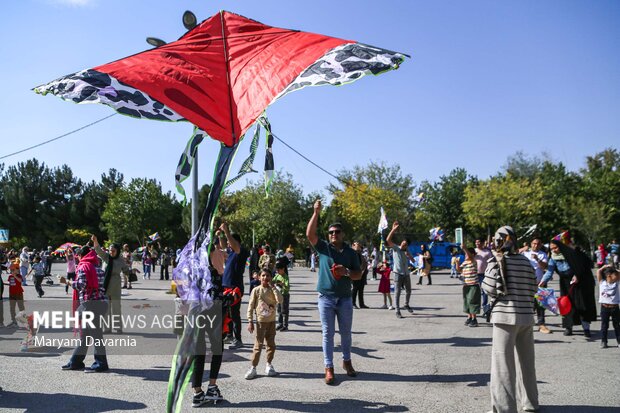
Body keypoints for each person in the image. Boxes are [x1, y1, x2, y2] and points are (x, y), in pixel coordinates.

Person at [482, 226, 539, 413]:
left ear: (498, 241)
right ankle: (530, 403)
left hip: (505, 316)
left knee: (503, 365)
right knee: (527, 363)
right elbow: (533, 288)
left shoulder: (497, 260)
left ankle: (504, 408)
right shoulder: (525, 261)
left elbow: (489, 287)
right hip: (526, 316)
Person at [306, 199, 362, 385]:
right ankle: (328, 367)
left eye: (337, 232)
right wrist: (316, 212)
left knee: (346, 333)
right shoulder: (324, 248)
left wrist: (345, 271)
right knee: (327, 333)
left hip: (345, 298)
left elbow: (358, 274)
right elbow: (309, 234)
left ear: (343, 234)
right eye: (331, 233)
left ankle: (347, 362)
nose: (334, 235)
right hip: (326, 298)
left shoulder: (350, 253)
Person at [61, 246, 109, 372]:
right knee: (85, 336)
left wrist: (67, 282)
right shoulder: (98, 268)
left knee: (96, 335)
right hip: (101, 304)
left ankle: (101, 364)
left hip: (90, 305)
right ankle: (75, 362)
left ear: (82, 256)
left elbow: (81, 285)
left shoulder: (83, 267)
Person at [540, 239, 597, 337]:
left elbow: (581, 267)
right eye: (552, 249)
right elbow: (549, 271)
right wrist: (543, 281)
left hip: (578, 284)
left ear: (561, 246)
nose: (554, 250)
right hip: (565, 284)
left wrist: (577, 275)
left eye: (555, 247)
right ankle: (568, 327)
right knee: (566, 305)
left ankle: (586, 329)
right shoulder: (553, 258)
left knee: (581, 305)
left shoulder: (571, 254)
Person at [245, 269, 283, 379]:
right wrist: (250, 321)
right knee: (258, 345)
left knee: (271, 345)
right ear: (259, 277)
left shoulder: (273, 290)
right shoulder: (256, 290)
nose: (265, 278)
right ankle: (253, 367)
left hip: (271, 321)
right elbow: (251, 306)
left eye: (267, 276)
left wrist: (274, 288)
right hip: (260, 322)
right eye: (263, 275)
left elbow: (280, 300)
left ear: (271, 278)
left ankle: (268, 365)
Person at [219, 222, 250, 349]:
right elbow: (223, 246)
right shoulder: (231, 253)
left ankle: (238, 339)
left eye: (230, 241)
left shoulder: (240, 251)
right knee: (227, 313)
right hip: (226, 286)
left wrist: (226, 232)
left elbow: (233, 245)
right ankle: (229, 335)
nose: (228, 243)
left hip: (235, 287)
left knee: (234, 313)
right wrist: (221, 235)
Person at [92, 235, 131, 334]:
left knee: (116, 307)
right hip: (105, 285)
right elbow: (98, 250)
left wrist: (132, 271)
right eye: (110, 250)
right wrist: (95, 241)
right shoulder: (106, 257)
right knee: (106, 307)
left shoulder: (120, 260)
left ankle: (118, 328)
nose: (111, 252)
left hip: (116, 286)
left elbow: (126, 270)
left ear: (117, 251)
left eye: (113, 250)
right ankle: (107, 328)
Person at [522, 238, 550, 334]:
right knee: (527, 304)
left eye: (538, 244)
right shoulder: (525, 253)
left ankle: (541, 324)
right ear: (531, 244)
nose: (535, 245)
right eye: (534, 243)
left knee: (540, 304)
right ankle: (526, 324)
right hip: (527, 283)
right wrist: (523, 249)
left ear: (541, 245)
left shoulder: (543, 254)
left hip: (540, 283)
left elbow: (544, 267)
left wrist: (537, 259)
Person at [386, 221, 414, 318]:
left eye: (405, 244)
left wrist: (409, 256)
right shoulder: (396, 248)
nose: (403, 244)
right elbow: (388, 240)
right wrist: (393, 230)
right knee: (397, 292)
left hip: (406, 273)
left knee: (409, 291)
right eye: (402, 243)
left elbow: (413, 260)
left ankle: (406, 304)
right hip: (397, 273)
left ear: (407, 246)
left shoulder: (407, 250)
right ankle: (397, 310)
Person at [596, 265, 619, 349]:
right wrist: (605, 266)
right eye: (615, 275)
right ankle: (604, 341)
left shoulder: (617, 283)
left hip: (615, 307)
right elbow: (598, 271)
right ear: (608, 275)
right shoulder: (602, 283)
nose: (616, 276)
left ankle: (619, 341)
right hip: (605, 307)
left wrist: (614, 269)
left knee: (617, 325)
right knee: (604, 325)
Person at [456, 244, 480, 327]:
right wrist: (457, 263)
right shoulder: (465, 262)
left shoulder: (473, 261)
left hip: (473, 285)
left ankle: (474, 319)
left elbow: (470, 256)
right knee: (466, 302)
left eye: (467, 254)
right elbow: (459, 270)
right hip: (466, 285)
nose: (465, 255)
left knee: (472, 301)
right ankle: (469, 317)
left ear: (472, 254)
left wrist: (465, 248)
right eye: (465, 254)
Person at [6, 255, 25, 328]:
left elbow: (20, 281)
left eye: (14, 270)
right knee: (12, 308)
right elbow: (11, 283)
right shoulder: (10, 276)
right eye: (11, 270)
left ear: (17, 270)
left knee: (21, 307)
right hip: (12, 293)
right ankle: (14, 321)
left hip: (19, 293)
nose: (12, 271)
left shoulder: (19, 276)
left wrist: (15, 276)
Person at [475, 238, 493, 313]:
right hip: (475, 274)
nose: (477, 243)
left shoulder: (487, 252)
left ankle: (484, 306)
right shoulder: (474, 251)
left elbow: (491, 262)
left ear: (482, 243)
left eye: (479, 242)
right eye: (476, 242)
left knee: (484, 291)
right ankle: (475, 306)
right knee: (475, 291)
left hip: (484, 274)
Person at [273, 262, 290, 331]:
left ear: (283, 269)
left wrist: (282, 284)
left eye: (279, 270)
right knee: (279, 310)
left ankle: (285, 325)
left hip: (284, 295)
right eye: (276, 270)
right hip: (278, 295)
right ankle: (280, 324)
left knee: (284, 311)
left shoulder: (285, 277)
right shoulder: (277, 275)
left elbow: (287, 287)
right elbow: (273, 281)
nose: (277, 272)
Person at [351, 241, 369, 309]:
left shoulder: (360, 254)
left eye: (359, 245)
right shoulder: (352, 253)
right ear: (353, 246)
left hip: (362, 274)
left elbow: (364, 262)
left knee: (361, 289)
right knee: (355, 289)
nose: (359, 246)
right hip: (355, 273)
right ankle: (353, 303)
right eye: (357, 244)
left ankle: (362, 304)